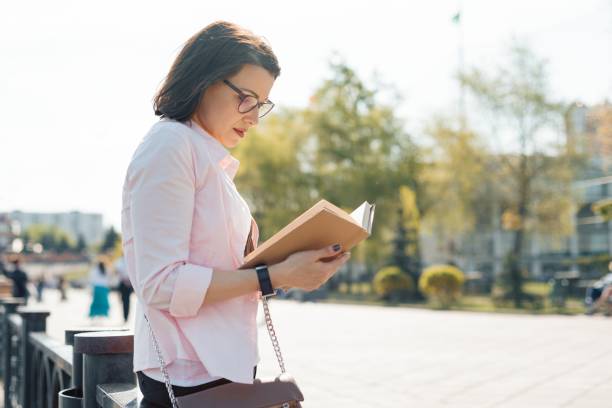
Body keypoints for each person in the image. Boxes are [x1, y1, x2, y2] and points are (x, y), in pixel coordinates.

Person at [122, 21, 351, 407]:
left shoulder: (203, 155)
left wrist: (290, 269)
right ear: (204, 79)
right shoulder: (170, 146)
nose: (254, 117)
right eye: (246, 98)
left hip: (218, 371)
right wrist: (272, 276)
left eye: (261, 104)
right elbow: (160, 284)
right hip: (190, 377)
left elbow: (215, 270)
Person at [115, 256, 133, 323]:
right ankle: (125, 316)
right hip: (126, 283)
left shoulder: (120, 261)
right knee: (126, 300)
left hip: (125, 283)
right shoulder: (124, 261)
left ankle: (125, 316)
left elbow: (118, 272)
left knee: (125, 300)